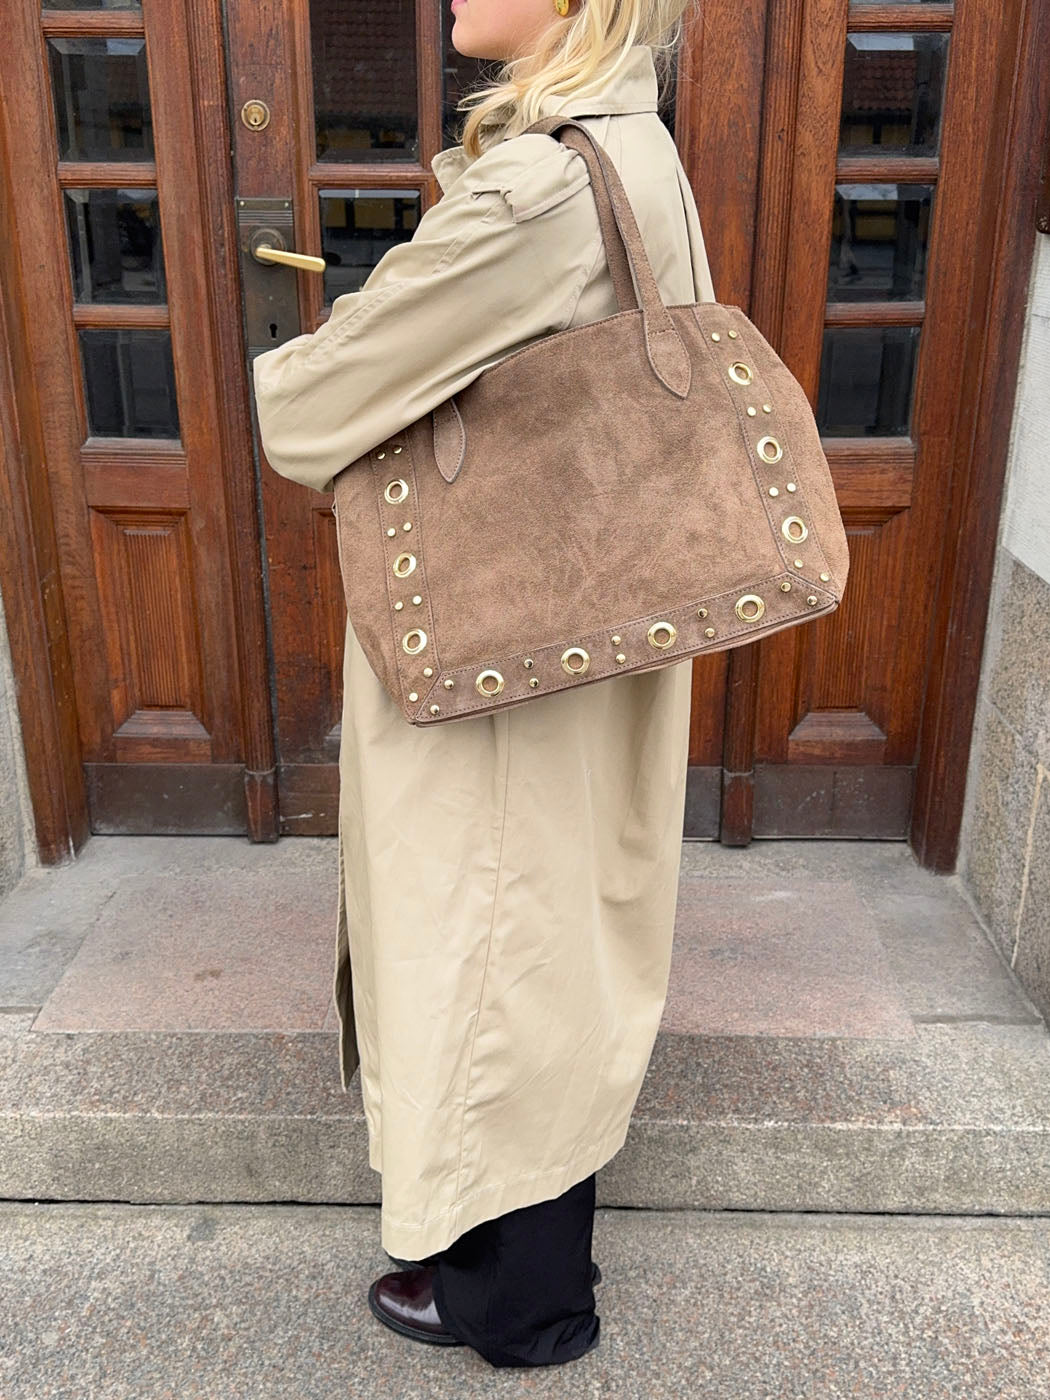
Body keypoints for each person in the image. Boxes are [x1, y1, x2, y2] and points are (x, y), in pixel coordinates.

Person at [251, 0, 716, 1371]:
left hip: (498, 646)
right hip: (573, 619)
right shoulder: (628, 144)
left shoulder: (537, 190)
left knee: (493, 935)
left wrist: (337, 334)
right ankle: (513, 1264)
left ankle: (518, 1303)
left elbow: (307, 411)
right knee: (546, 934)